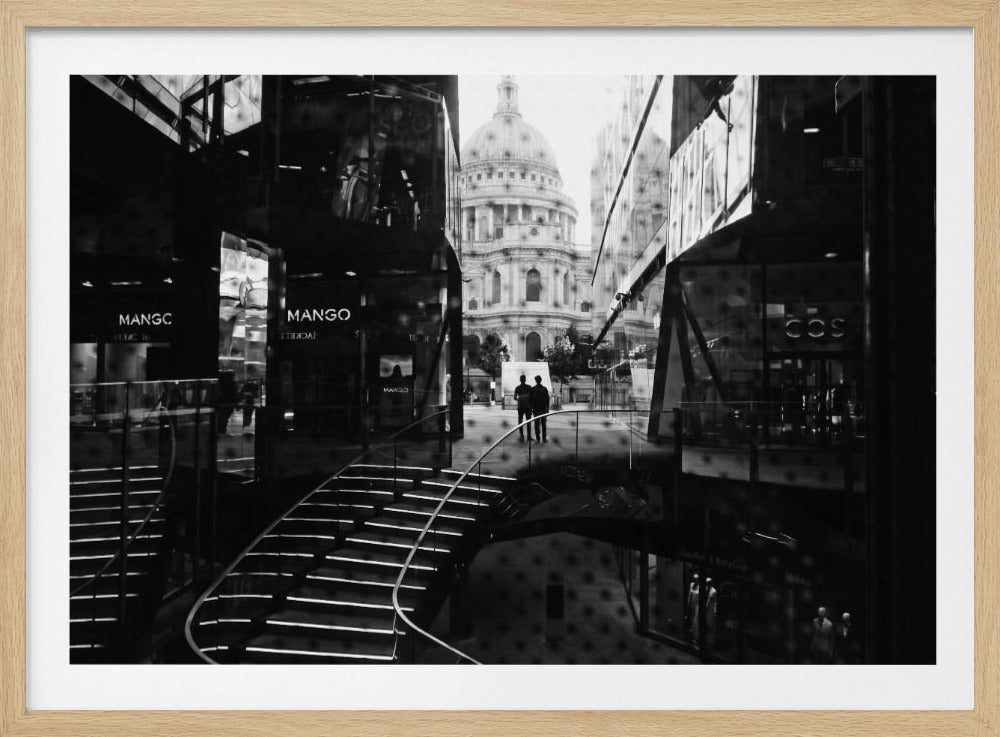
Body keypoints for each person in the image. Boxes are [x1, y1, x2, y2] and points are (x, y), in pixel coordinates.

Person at [530, 375, 551, 442]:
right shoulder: (544, 389)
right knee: (542, 424)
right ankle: (542, 438)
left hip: (537, 409)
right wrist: (547, 408)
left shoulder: (533, 389)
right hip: (542, 409)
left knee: (538, 424)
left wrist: (531, 409)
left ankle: (539, 438)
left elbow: (530, 400)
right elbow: (547, 400)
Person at [514, 374, 532, 441]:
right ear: (525, 379)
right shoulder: (529, 387)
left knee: (520, 422)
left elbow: (515, 397)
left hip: (521, 406)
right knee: (528, 421)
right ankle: (529, 436)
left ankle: (521, 436)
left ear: (520, 380)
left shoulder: (517, 388)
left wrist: (520, 398)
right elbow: (531, 396)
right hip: (528, 406)